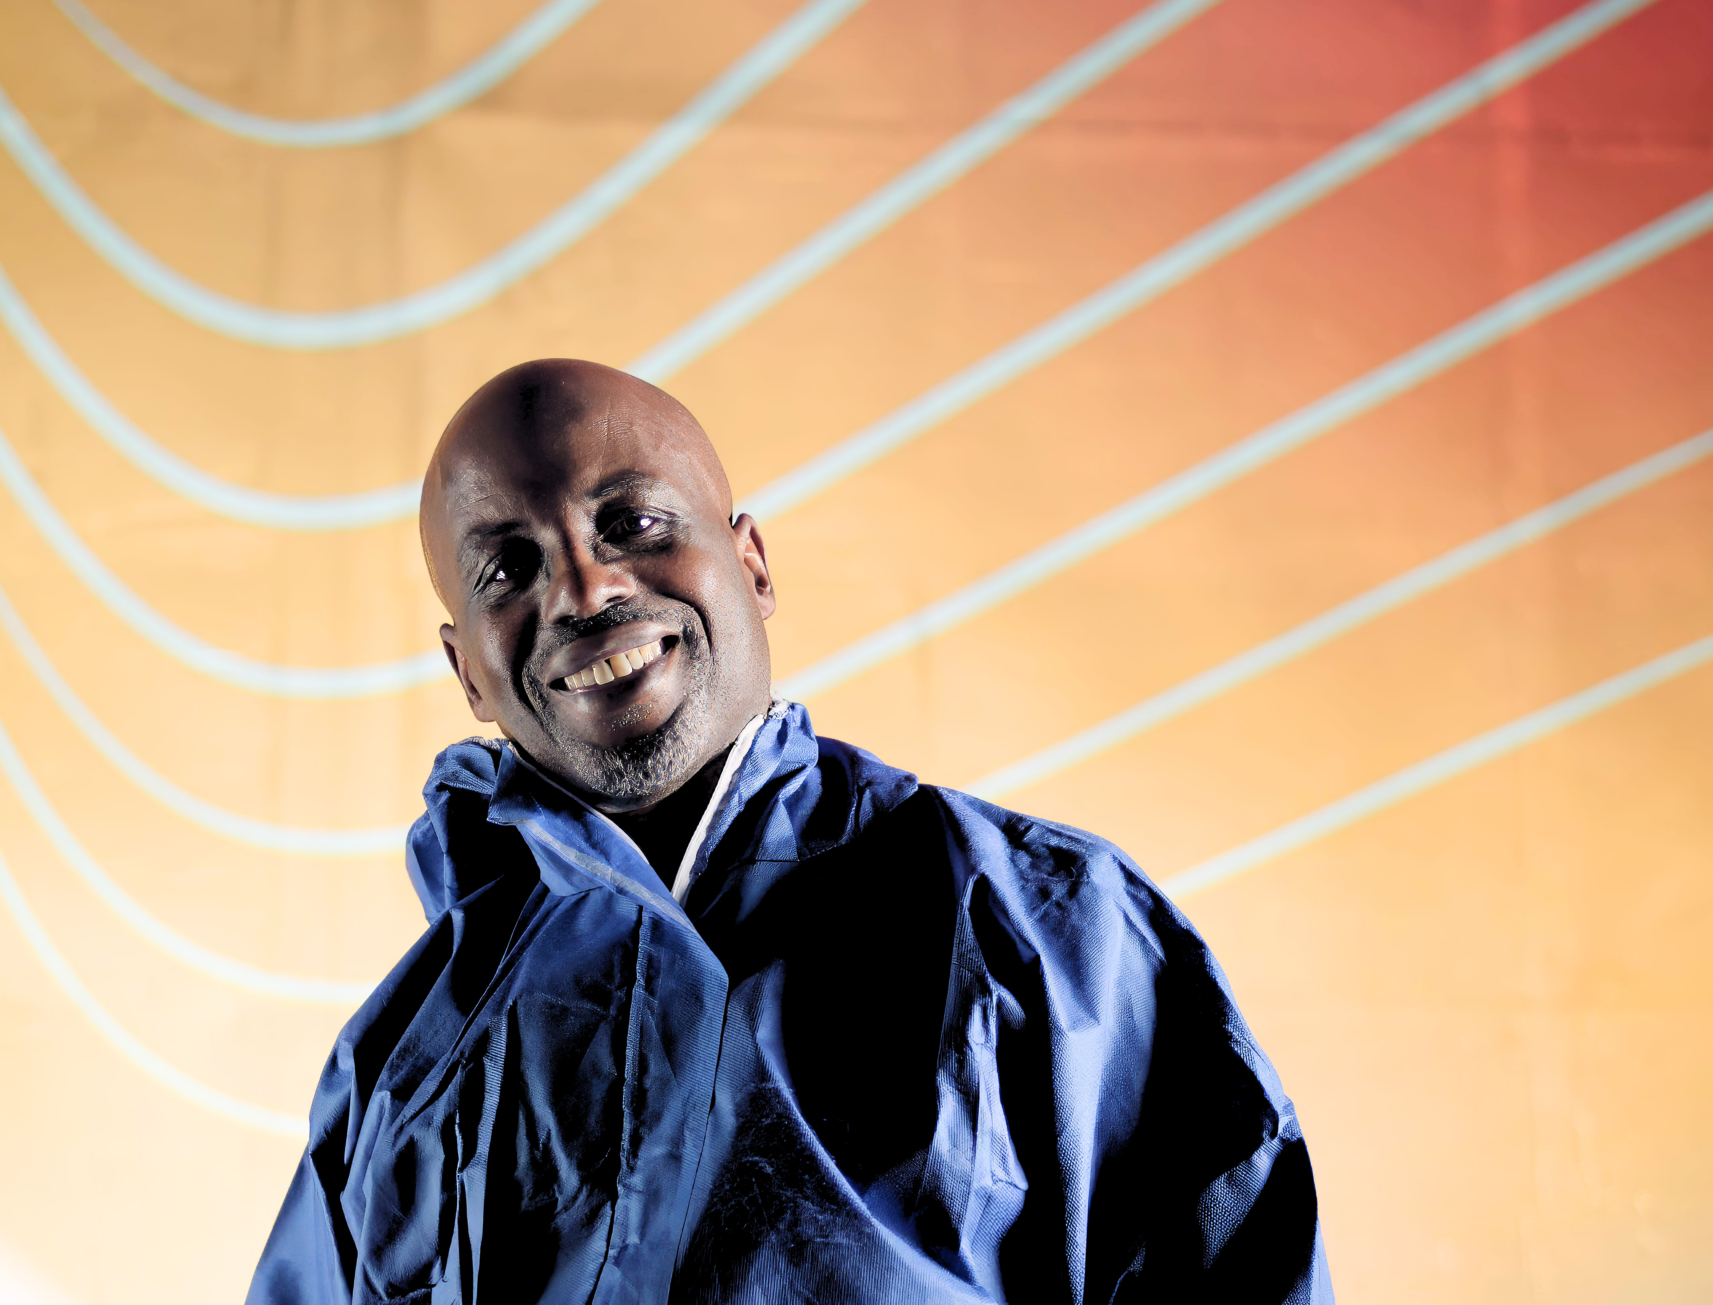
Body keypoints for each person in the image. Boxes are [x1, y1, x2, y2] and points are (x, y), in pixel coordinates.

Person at [249, 360, 1329, 1303]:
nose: (583, 587)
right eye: (509, 568)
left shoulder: (1044, 930)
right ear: (466, 673)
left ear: (753, 565)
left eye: (630, 522)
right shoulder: (405, 1062)